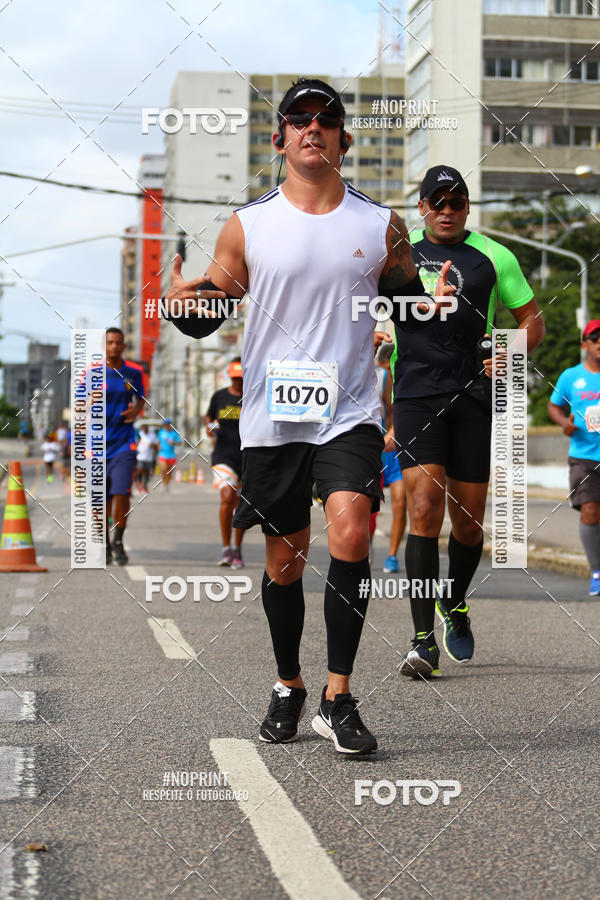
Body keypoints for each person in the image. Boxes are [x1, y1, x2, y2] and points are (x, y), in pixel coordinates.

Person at [165, 78, 453, 754]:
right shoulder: (250, 224)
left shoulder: (380, 224)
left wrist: (429, 305)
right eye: (299, 118)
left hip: (348, 410)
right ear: (281, 137)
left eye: (327, 118)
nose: (313, 128)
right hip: (273, 416)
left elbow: (405, 298)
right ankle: (289, 681)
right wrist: (181, 303)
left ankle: (338, 695)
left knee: (352, 527)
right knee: (286, 562)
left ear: (343, 138)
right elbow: (212, 310)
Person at [386, 165, 545, 678]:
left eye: (457, 202)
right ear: (423, 207)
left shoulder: (495, 256)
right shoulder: (398, 249)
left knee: (471, 522)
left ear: (468, 208)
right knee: (424, 507)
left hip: (475, 395)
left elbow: (531, 319)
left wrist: (512, 351)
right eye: (438, 202)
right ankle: (420, 641)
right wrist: (370, 330)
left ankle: (453, 604)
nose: (447, 211)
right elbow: (359, 301)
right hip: (415, 393)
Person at [548, 319, 600, 595]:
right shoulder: (571, 377)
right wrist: (563, 424)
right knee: (591, 511)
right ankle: (596, 571)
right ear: (585, 345)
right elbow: (553, 407)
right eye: (595, 338)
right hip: (584, 455)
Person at [102, 327, 144, 565]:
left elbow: (142, 399)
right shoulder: (91, 373)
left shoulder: (134, 372)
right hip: (96, 445)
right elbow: (78, 405)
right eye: (110, 342)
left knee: (122, 493)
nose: (114, 346)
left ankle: (118, 540)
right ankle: (105, 544)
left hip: (124, 443)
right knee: (102, 498)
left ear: (124, 346)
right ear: (104, 346)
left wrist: (135, 411)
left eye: (118, 342)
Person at [204, 358, 245, 568]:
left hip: (247, 457)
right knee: (227, 495)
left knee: (241, 504)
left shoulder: (252, 396)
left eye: (241, 378)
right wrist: (210, 427)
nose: (238, 382)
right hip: (223, 455)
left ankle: (237, 548)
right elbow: (208, 417)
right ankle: (225, 547)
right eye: (235, 378)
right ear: (230, 376)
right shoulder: (220, 396)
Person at [375, 342, 407, 573]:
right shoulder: (382, 375)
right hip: (375, 447)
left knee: (400, 502)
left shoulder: (404, 378)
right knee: (369, 508)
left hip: (395, 449)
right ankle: (365, 551)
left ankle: (392, 555)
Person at [157, 420, 182, 487]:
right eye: (165, 424)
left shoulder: (174, 433)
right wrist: (158, 446)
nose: (166, 426)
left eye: (168, 424)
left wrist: (173, 442)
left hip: (171, 455)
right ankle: (164, 482)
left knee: (169, 471)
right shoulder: (161, 432)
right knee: (163, 469)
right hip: (162, 454)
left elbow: (179, 442)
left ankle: (167, 483)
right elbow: (158, 441)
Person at [135, 423, 157, 494]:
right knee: (140, 469)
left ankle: (145, 485)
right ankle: (138, 482)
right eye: (143, 428)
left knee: (147, 471)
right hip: (140, 456)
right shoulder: (139, 434)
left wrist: (153, 446)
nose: (144, 429)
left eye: (146, 428)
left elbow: (156, 444)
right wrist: (135, 449)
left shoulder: (152, 435)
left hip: (149, 457)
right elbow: (135, 443)